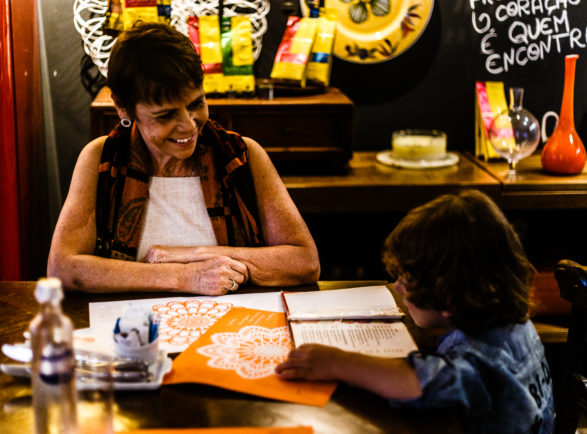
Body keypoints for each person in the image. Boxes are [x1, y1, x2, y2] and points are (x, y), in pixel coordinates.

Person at [47, 22, 320, 295]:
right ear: (123, 108)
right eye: (165, 115)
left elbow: (304, 262)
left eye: (196, 104)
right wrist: (184, 276)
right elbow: (64, 269)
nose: (189, 126)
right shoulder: (102, 159)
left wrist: (191, 254)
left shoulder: (241, 156)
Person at [276, 189, 554, 433]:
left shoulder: (483, 363)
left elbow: (420, 382)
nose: (397, 287)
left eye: (406, 279)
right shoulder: (514, 325)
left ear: (448, 295)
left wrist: (335, 361)